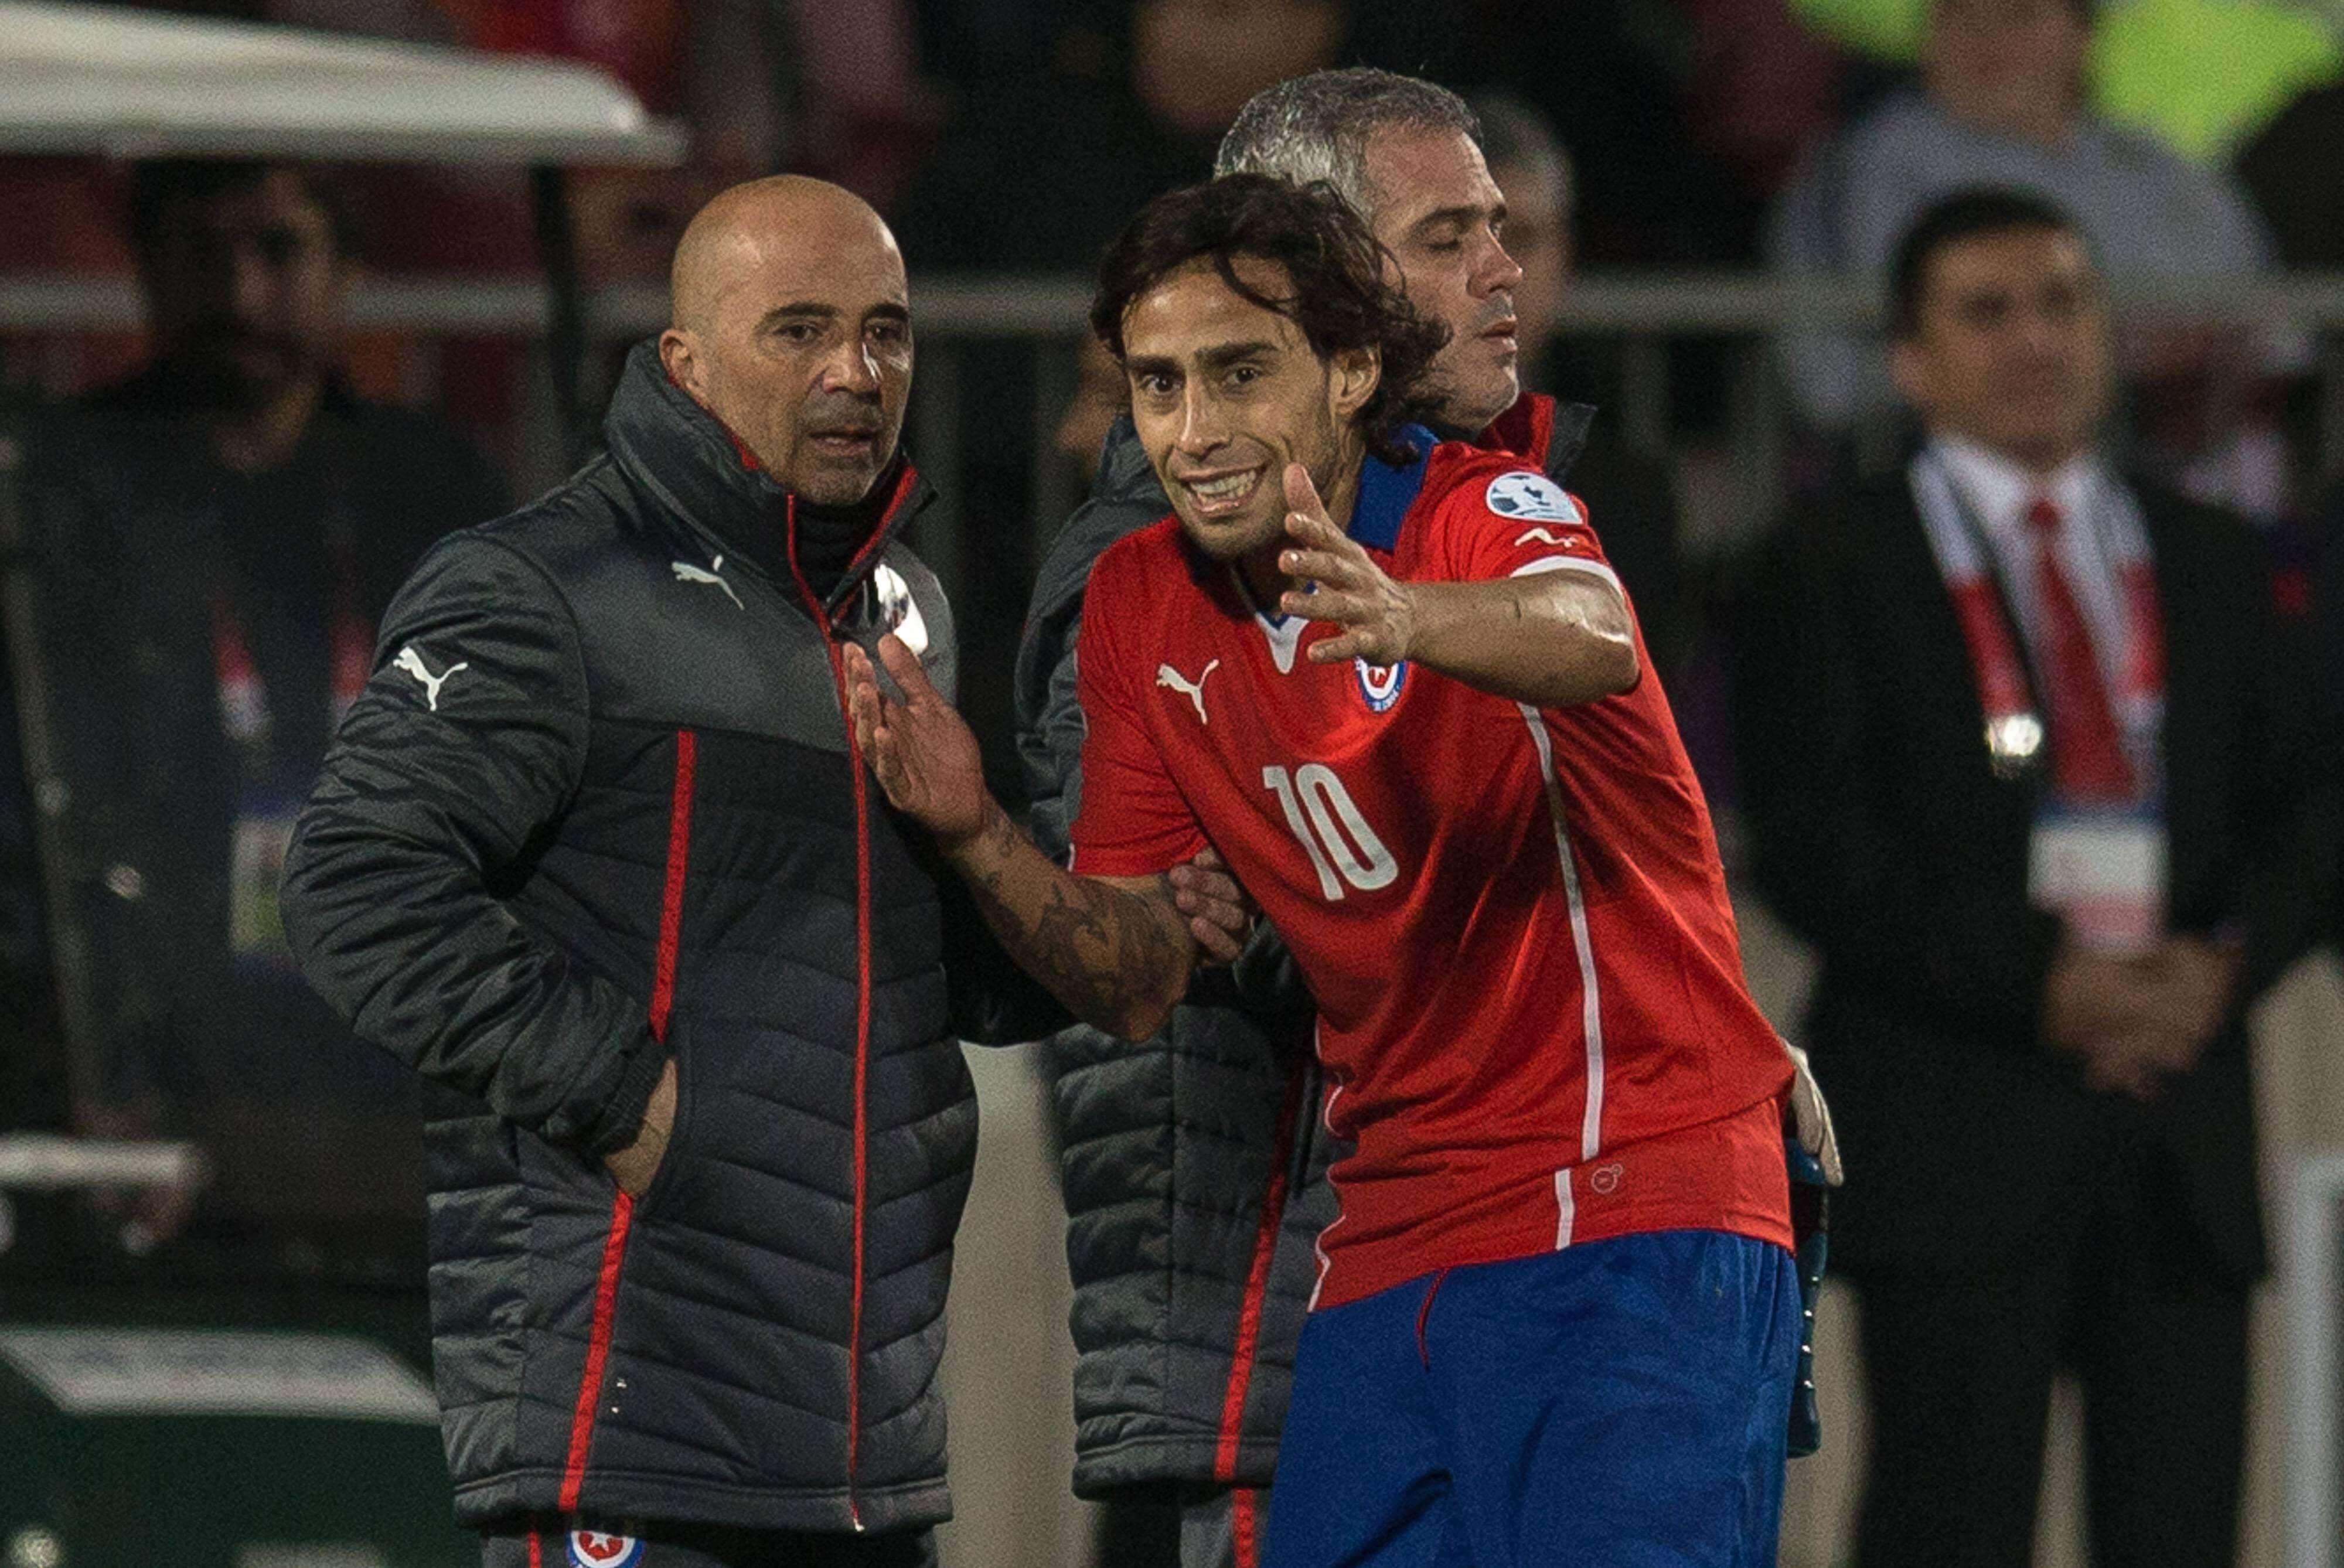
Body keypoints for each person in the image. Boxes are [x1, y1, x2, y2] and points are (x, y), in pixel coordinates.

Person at [857, 173, 1807, 1567]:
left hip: (1625, 1194)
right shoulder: (1135, 605)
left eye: (1240, 373)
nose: (1194, 431)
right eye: (1159, 385)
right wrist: (975, 831)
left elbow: (1591, 628)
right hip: (1394, 1227)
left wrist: (1409, 612)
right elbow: (1131, 983)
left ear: (1354, 370)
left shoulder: (1479, 506)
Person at [278, 176, 1222, 1568]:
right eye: (799, 330)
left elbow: (924, 975)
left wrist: (1076, 904)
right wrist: (626, 1101)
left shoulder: (904, 609)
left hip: (864, 1447)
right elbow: (356, 883)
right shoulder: (544, 590)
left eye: (886, 333)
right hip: (632, 1424)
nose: (857, 371)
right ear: (685, 362)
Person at [1012, 68, 1644, 1568]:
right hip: (1277, 1318)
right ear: (1323, 288)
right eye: (1447, 238)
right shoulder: (1143, 580)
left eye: (1501, 230)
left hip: (1458, 1281)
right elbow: (1157, 930)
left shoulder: (1470, 520)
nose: (1503, 272)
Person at [1730, 188, 2323, 1568]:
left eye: (2062, 302)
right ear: (1908, 358)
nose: (2033, 338)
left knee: (2181, 1527)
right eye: (1985, 310)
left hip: (2177, 1131)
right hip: (1953, 1133)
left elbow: (2314, 802)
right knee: (1945, 1525)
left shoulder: (2218, 560)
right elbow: (1818, 845)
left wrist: (2218, 969)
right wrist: (2041, 987)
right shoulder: (1820, 562)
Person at [3, 158, 506, 1268]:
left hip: (380, 1030)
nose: (239, 293)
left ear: (346, 269)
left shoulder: (434, 491)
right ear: (146, 267)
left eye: (277, 251)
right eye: (201, 252)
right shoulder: (57, 484)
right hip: (147, 1026)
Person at [1767, 0, 2287, 451]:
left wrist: (2209, 356)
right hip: (1922, 469)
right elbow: (1860, 363)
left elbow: (2282, 327)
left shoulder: (2158, 169)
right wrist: (2129, 358)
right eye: (1960, 15)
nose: (1989, 41)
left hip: (2182, 471)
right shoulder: (1869, 167)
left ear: (2084, 34)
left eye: (2020, 15)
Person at [1470, 88, 1687, 673]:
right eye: (1456, 240)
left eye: (1522, 238)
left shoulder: (1627, 497)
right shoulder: (1341, 467)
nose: (1500, 271)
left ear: (1564, 256)